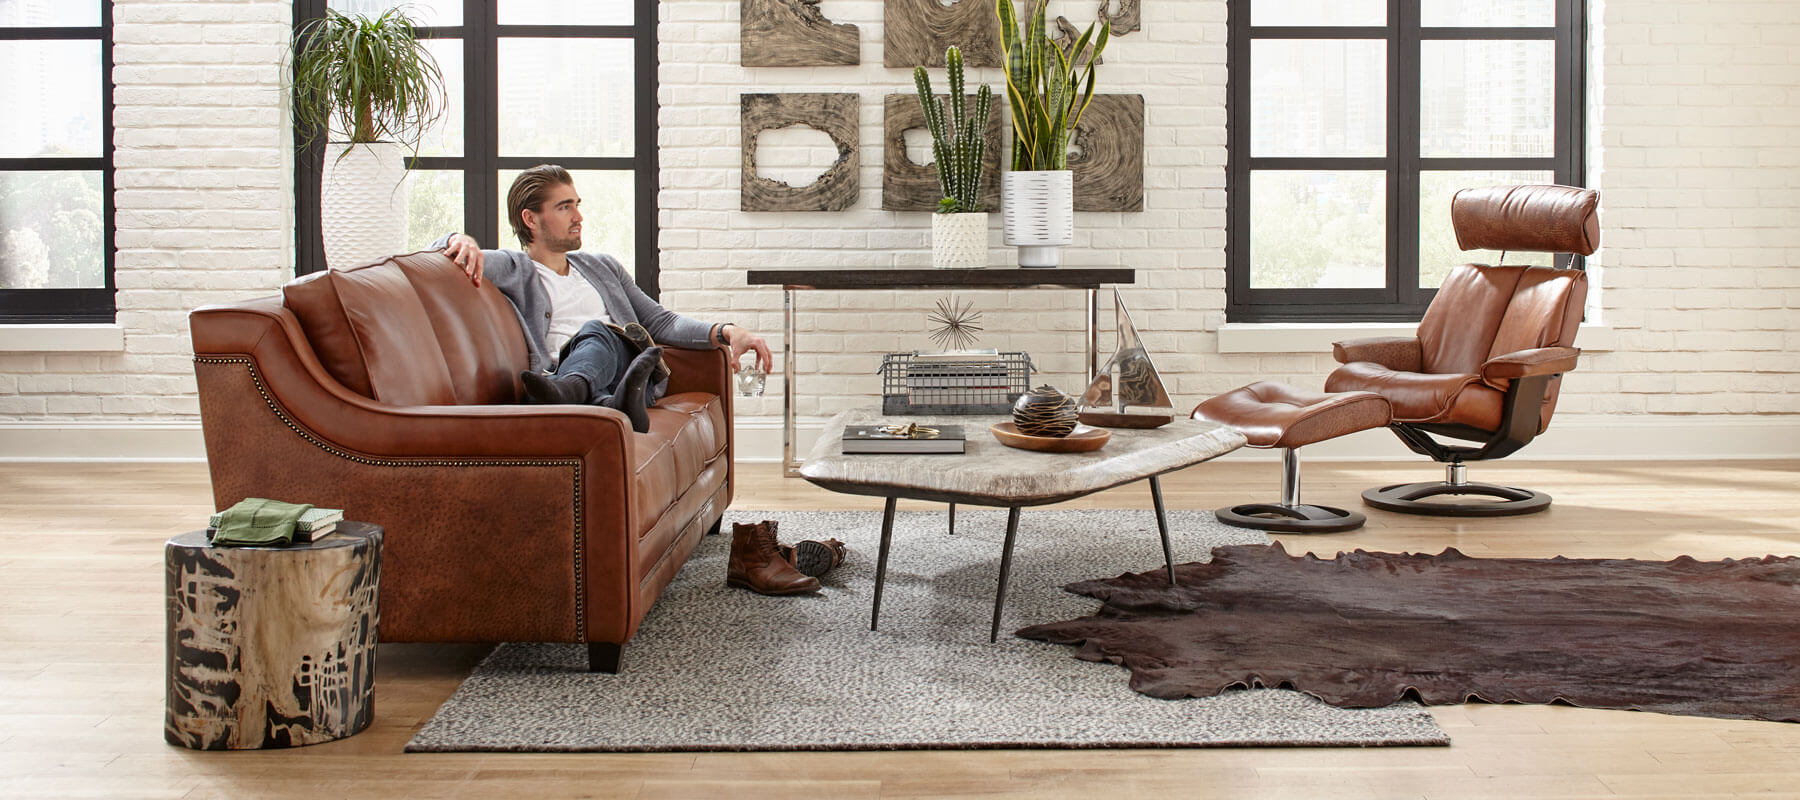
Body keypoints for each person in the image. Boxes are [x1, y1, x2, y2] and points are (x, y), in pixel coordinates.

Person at [436, 165, 771, 434]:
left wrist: (726, 331)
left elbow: (660, 322)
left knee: (601, 330)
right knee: (597, 333)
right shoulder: (513, 268)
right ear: (530, 219)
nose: (578, 217)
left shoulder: (602, 267)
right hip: (561, 372)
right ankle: (608, 403)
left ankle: (571, 391)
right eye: (564, 207)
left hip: (610, 366)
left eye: (576, 205)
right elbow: (433, 256)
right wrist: (456, 237)